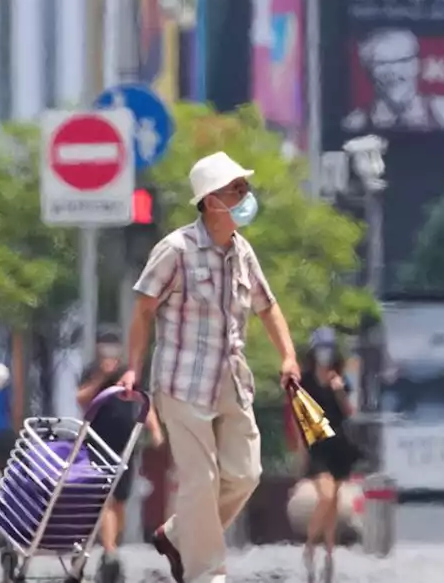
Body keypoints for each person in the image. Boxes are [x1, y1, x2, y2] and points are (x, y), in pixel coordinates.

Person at [120, 151, 301, 583]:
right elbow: (144, 310)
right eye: (235, 189)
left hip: (230, 380)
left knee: (245, 474)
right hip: (182, 383)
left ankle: (180, 534)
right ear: (210, 201)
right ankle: (207, 573)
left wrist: (288, 355)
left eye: (245, 188)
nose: (245, 196)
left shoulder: (243, 252)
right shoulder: (176, 250)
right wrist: (133, 368)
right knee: (200, 480)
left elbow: (268, 307)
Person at [76, 329, 164, 583]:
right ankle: (110, 549)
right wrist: (100, 378)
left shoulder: (129, 372)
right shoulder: (91, 371)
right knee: (105, 496)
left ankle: (111, 546)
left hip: (126, 444)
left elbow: (145, 403)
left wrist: (155, 431)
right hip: (98, 442)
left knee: (121, 499)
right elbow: (81, 400)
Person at [296, 327, 357, 583]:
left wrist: (339, 390)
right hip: (317, 444)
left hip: (339, 445)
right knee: (326, 495)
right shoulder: (305, 380)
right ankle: (310, 546)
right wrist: (301, 454)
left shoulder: (340, 377)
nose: (324, 354)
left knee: (333, 504)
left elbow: (349, 412)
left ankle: (329, 555)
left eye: (328, 349)